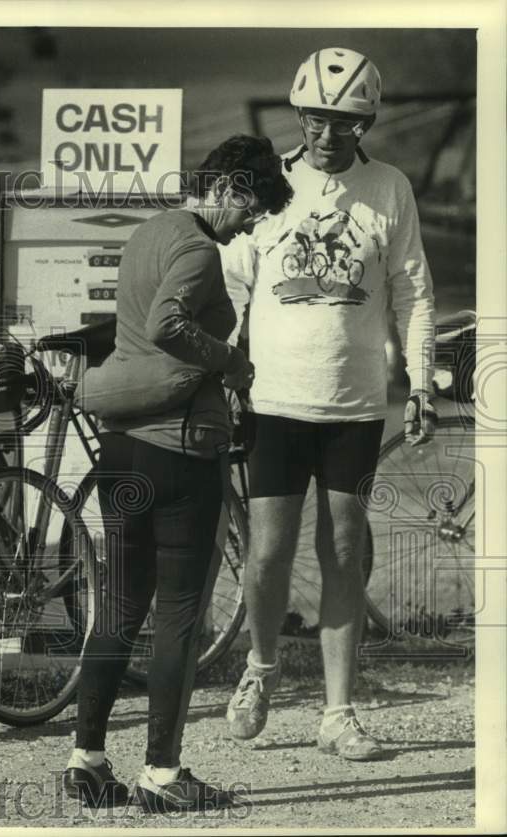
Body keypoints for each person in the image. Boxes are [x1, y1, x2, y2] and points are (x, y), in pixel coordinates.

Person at [62, 135, 292, 813]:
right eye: (250, 206)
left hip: (122, 451)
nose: (249, 223)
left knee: (121, 607)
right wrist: (227, 360)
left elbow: (138, 325)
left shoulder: (148, 233)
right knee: (179, 617)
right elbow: (167, 323)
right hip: (180, 451)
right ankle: (162, 774)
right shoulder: (196, 247)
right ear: (226, 186)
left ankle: (88, 760)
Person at [220, 47, 437, 760]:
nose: (326, 131)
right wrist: (222, 372)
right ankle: (260, 669)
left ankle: (339, 711)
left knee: (345, 549)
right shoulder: (270, 184)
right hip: (274, 401)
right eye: (315, 116)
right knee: (269, 552)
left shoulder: (390, 188)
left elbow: (414, 293)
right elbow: (232, 286)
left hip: (353, 405)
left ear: (365, 120)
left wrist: (423, 381)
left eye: (343, 120)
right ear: (299, 113)